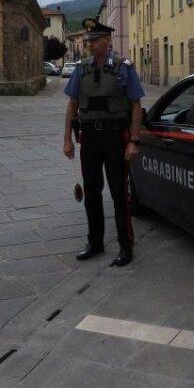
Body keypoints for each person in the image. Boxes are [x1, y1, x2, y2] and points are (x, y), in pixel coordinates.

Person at [63, 18, 145, 267]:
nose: (89, 45)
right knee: (92, 192)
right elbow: (72, 104)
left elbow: (135, 105)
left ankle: (125, 245)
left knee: (120, 193)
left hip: (115, 137)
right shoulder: (81, 68)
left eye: (94, 40)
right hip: (89, 137)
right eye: (88, 41)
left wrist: (134, 140)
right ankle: (95, 242)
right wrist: (67, 139)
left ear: (107, 41)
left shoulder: (124, 67)